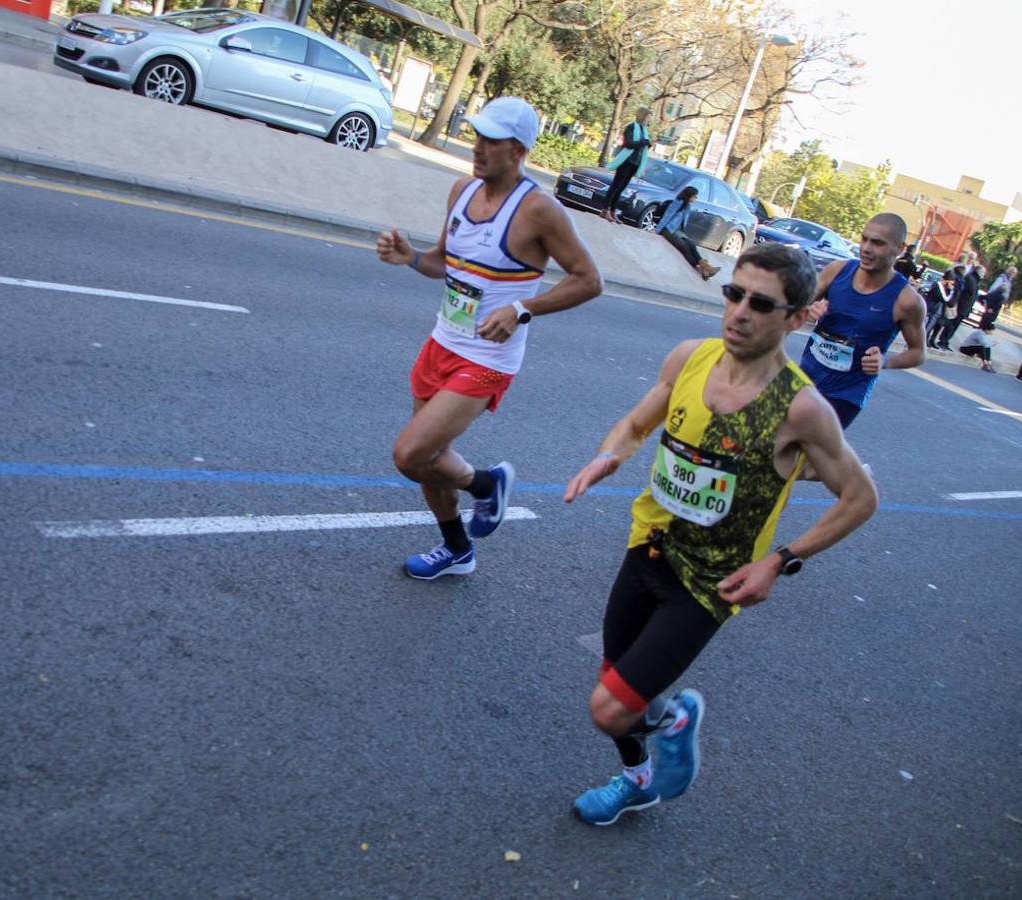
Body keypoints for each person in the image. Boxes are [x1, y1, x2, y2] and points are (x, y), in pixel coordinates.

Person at [561, 242, 878, 826]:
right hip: (650, 544)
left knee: (607, 709)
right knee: (616, 677)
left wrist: (779, 560)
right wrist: (609, 457)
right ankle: (644, 769)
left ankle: (655, 749)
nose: (739, 312)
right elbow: (635, 424)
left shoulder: (802, 409)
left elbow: (860, 498)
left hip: (712, 583)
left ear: (797, 318)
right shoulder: (690, 358)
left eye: (761, 303)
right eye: (734, 294)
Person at [376, 97, 603, 579]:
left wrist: (522, 309)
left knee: (410, 455)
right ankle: (458, 549)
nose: (477, 147)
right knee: (429, 460)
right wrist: (411, 257)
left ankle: (484, 485)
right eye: (476, 135)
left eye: (490, 140)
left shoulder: (540, 210)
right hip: (442, 341)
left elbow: (588, 279)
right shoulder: (461, 190)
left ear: (518, 150)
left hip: (486, 358)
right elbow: (444, 261)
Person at [799, 212, 927, 429]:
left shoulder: (907, 301)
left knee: (813, 451)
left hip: (846, 394)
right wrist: (807, 310)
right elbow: (792, 308)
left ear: (900, 248)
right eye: (864, 239)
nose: (866, 248)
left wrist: (885, 361)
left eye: (877, 243)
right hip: (805, 377)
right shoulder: (836, 271)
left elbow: (918, 352)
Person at [654, 185, 721, 280]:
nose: (696, 198)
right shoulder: (678, 203)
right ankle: (704, 270)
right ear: (689, 196)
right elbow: (667, 216)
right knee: (684, 247)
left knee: (692, 245)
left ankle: (706, 269)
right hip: (668, 230)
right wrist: (657, 230)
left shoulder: (688, 206)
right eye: (695, 196)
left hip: (679, 231)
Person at [600, 107, 651, 224]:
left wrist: (647, 144)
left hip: (635, 163)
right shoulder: (631, 127)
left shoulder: (644, 130)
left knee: (621, 188)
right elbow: (628, 143)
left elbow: (642, 147)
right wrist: (643, 143)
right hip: (626, 161)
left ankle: (613, 211)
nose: (649, 120)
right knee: (616, 186)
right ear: (642, 116)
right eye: (648, 117)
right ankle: (605, 209)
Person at [924, 270, 956, 348]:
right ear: (948, 280)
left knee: (930, 324)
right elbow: (945, 299)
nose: (952, 283)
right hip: (932, 307)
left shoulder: (937, 285)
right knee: (930, 324)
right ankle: (922, 338)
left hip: (932, 306)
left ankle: (924, 338)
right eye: (952, 281)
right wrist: (951, 291)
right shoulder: (939, 286)